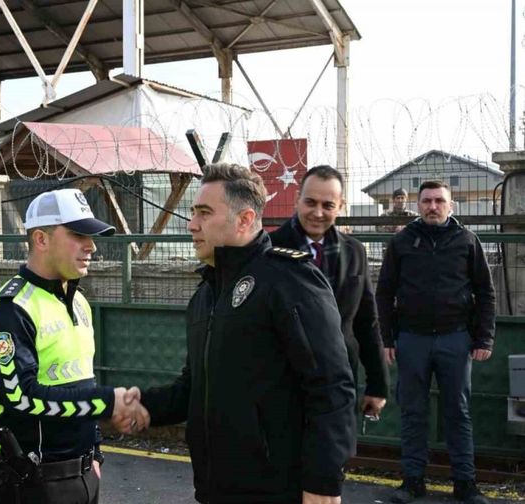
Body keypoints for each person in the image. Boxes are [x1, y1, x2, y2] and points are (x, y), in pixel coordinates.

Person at [134, 163, 356, 504]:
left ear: (245, 219)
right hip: (214, 489)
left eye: (204, 213)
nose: (192, 225)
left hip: (276, 491)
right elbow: (193, 389)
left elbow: (330, 387)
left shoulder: (288, 280)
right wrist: (129, 404)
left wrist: (323, 483)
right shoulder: (206, 294)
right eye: (193, 213)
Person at [0, 188, 140, 504]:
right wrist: (107, 401)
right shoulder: (9, 309)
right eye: (79, 235)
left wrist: (95, 453)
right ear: (41, 239)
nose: (91, 246)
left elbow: (82, 379)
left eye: (91, 236)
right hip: (31, 482)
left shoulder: (79, 301)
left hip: (82, 474)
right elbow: (21, 398)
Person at [376, 180, 495, 504]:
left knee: (458, 411)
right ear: (418, 205)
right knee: (413, 412)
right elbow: (384, 292)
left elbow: (485, 292)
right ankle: (413, 481)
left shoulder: (467, 241)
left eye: (439, 201)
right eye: (426, 201)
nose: (432, 206)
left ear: (450, 205)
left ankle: (465, 484)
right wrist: (387, 337)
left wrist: (484, 336)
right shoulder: (402, 241)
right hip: (411, 340)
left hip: (455, 339)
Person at [270, 165, 389, 425]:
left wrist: (377, 386)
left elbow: (367, 322)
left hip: (339, 381)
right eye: (310, 202)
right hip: (283, 384)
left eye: (328, 205)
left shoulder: (355, 252)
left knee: (333, 461)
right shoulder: (269, 250)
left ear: (341, 205)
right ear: (297, 199)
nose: (318, 213)